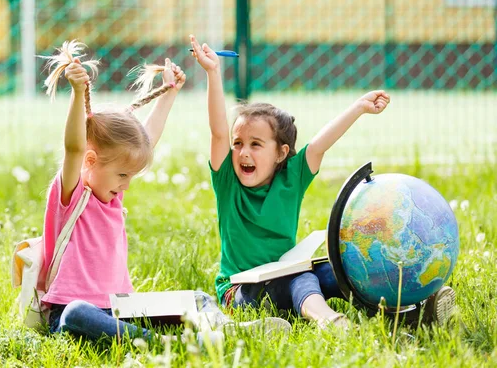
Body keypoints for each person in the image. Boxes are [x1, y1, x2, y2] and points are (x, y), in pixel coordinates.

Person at [189, 34, 456, 329]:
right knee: (300, 278)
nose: (243, 152)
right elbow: (217, 132)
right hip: (240, 293)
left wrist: (359, 107)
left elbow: (318, 145)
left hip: (283, 276)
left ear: (282, 154)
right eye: (238, 143)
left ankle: (412, 311)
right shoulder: (228, 183)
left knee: (344, 269)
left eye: (255, 144)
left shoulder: (293, 177)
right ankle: (328, 320)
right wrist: (213, 72)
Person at [40, 40, 290, 344]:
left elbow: (147, 138)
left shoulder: (111, 194)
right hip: (74, 311)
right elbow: (75, 147)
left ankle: (225, 329)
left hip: (119, 308)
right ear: (90, 162)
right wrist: (78, 95)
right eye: (122, 175)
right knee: (76, 314)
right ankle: (162, 342)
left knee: (198, 297)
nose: (126, 185)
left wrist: (169, 93)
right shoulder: (73, 195)